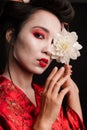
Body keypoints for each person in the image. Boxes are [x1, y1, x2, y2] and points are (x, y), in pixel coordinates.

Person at [0, 0, 86, 130]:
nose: (49, 50)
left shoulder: (47, 96)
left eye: (53, 42)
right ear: (11, 35)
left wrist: (73, 92)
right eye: (39, 35)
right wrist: (43, 123)